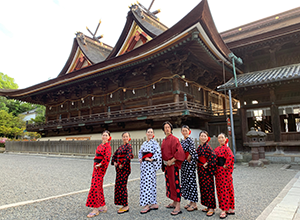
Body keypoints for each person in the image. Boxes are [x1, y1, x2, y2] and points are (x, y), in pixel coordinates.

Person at [161, 121, 185, 216]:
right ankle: (174, 201)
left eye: (168, 127)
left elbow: (180, 151)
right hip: (167, 165)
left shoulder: (175, 139)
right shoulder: (164, 140)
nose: (167, 129)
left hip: (173, 165)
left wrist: (173, 160)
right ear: (163, 129)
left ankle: (178, 205)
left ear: (171, 129)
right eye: (165, 127)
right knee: (169, 183)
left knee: (175, 183)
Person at [86, 130, 112, 218]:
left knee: (95, 186)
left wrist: (100, 164)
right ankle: (103, 206)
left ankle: (96, 208)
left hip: (100, 168)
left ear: (109, 137)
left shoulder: (108, 146)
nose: (104, 137)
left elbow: (107, 157)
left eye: (106, 135)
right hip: (96, 167)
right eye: (103, 135)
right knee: (98, 186)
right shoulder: (100, 145)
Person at [138, 128, 162, 214]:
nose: (150, 133)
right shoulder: (144, 143)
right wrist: (140, 158)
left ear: (153, 134)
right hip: (144, 166)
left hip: (150, 166)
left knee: (149, 184)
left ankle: (147, 204)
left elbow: (158, 153)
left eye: (151, 132)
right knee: (145, 183)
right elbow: (140, 152)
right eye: (148, 132)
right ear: (146, 133)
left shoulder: (155, 143)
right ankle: (153, 203)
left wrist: (152, 159)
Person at [111, 132, 133, 214]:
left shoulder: (129, 147)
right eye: (124, 137)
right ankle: (122, 204)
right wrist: (114, 162)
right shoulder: (120, 147)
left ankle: (126, 205)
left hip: (125, 169)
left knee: (123, 186)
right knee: (118, 186)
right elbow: (114, 155)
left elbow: (128, 156)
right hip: (119, 170)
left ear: (129, 138)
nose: (125, 138)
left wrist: (122, 164)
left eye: (126, 136)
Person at [214, 133, 235, 219]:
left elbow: (231, 157)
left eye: (222, 137)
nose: (221, 139)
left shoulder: (227, 149)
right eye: (219, 138)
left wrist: (226, 165)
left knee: (226, 189)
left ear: (225, 139)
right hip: (219, 171)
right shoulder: (216, 149)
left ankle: (225, 209)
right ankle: (229, 207)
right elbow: (214, 158)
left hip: (225, 171)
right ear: (218, 140)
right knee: (221, 189)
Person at [197, 131, 217, 217]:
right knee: (203, 187)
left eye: (205, 136)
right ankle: (207, 205)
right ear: (199, 137)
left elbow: (213, 156)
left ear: (207, 137)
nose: (203, 137)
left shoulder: (208, 147)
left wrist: (208, 163)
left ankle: (211, 207)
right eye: (202, 136)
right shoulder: (199, 147)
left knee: (209, 188)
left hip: (206, 170)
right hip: (200, 169)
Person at [180, 125, 198, 212]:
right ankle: (191, 201)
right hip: (184, 164)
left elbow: (193, 150)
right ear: (181, 132)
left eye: (186, 130)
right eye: (183, 130)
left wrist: (189, 157)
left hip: (189, 163)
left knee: (191, 182)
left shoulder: (190, 140)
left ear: (189, 131)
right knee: (186, 182)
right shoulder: (182, 141)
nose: (185, 132)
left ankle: (194, 203)